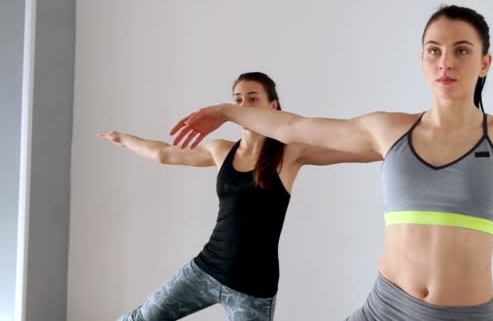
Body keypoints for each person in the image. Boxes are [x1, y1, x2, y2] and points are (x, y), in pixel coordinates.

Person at [170, 6, 493, 321]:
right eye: (434, 50)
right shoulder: (388, 129)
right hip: (385, 309)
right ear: (422, 59)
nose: (446, 62)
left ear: (485, 62)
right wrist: (228, 112)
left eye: (461, 50)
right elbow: (299, 126)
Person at [99, 72, 380, 321]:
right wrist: (123, 139)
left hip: (253, 288)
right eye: (238, 100)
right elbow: (164, 153)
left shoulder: (290, 153)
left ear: (274, 107)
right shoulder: (220, 150)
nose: (243, 106)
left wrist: (399, 143)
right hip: (205, 270)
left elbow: (360, 149)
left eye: (253, 99)